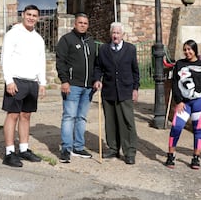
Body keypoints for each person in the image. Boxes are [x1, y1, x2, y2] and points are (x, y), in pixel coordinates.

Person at [1, 4, 46, 167]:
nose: (31, 18)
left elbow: (41, 61)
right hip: (16, 81)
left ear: (38, 18)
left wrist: (42, 83)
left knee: (26, 116)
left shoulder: (38, 38)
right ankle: (9, 152)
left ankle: (24, 149)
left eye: (34, 15)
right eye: (29, 14)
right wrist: (9, 80)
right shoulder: (13, 34)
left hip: (32, 82)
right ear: (23, 15)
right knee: (12, 115)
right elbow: (5, 58)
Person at [93, 22, 140, 165]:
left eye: (118, 33)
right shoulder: (103, 49)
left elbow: (135, 71)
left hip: (125, 91)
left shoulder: (130, 49)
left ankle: (129, 152)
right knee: (111, 122)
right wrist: (97, 79)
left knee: (127, 122)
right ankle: (113, 148)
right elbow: (98, 67)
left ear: (123, 35)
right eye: (113, 33)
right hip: (108, 91)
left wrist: (135, 88)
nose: (115, 35)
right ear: (110, 34)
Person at [165, 39, 201, 170]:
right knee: (176, 127)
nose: (187, 52)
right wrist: (179, 101)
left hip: (199, 102)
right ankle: (171, 155)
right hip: (184, 103)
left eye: (190, 49)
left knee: (198, 130)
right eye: (185, 49)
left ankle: (196, 158)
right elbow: (175, 84)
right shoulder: (179, 65)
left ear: (195, 50)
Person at [56, 12, 96, 163]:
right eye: (80, 23)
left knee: (82, 118)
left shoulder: (91, 41)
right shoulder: (66, 40)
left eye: (85, 23)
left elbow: (96, 63)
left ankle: (78, 147)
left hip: (88, 87)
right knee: (69, 117)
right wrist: (64, 81)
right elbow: (61, 62)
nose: (83, 25)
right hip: (72, 86)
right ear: (75, 23)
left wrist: (96, 80)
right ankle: (66, 148)